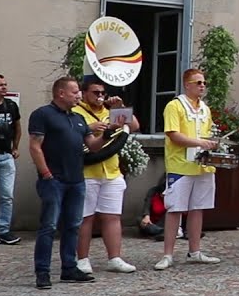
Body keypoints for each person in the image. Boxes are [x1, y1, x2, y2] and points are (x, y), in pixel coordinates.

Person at [29, 77, 104, 289]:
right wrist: (45, 173)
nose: (79, 95)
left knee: (73, 225)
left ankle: (69, 268)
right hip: (54, 179)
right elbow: (35, 146)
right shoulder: (43, 115)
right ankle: (42, 271)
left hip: (76, 180)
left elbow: (94, 146)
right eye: (75, 92)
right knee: (49, 226)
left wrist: (106, 134)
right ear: (61, 93)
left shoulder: (79, 118)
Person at [155, 68, 222, 270]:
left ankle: (195, 250)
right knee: (175, 209)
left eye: (204, 82)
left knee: (197, 208)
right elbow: (173, 134)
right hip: (180, 165)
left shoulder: (205, 109)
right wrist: (201, 143)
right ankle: (168, 254)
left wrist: (212, 144)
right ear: (187, 85)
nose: (202, 86)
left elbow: (208, 133)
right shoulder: (175, 106)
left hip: (202, 166)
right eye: (198, 82)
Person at [73, 76, 140, 274]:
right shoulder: (76, 113)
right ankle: (83, 259)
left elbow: (134, 126)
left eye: (103, 93)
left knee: (112, 216)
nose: (100, 97)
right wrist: (91, 129)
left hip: (111, 170)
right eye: (96, 93)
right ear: (84, 93)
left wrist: (121, 107)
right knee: (86, 217)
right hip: (87, 171)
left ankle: (115, 257)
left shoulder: (109, 112)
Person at [0, 74, 22, 245]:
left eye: (5, 84)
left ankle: (4, 231)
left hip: (6, 156)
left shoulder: (10, 105)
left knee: (7, 196)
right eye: (0, 85)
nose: (4, 88)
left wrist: (15, 147)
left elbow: (17, 127)